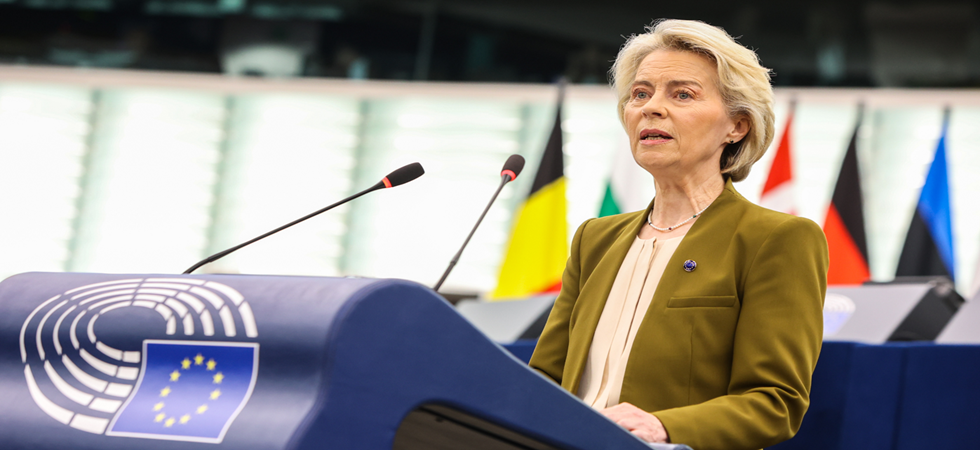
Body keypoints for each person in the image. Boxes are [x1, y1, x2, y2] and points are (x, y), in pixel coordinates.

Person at [528, 19, 828, 450]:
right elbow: (543, 379)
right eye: (640, 94)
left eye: (682, 94)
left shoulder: (777, 239)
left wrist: (662, 427)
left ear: (737, 126)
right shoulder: (596, 238)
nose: (650, 108)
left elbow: (774, 402)